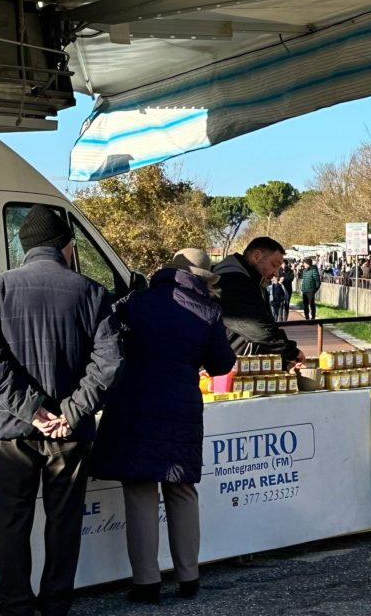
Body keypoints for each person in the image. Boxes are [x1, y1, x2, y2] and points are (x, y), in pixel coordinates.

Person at [0, 206, 123, 616]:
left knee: (13, 521)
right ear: (67, 247)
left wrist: (31, 410)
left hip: (11, 428)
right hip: (68, 432)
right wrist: (71, 412)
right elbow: (109, 363)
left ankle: (16, 605)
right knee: (64, 521)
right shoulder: (93, 292)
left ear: (24, 247)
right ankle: (56, 604)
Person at [91, 249, 235, 604]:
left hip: (134, 402)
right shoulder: (207, 311)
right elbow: (221, 364)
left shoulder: (134, 303)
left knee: (140, 489)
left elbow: (108, 345)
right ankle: (189, 576)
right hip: (181, 407)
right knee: (181, 488)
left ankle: (146, 582)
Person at [215, 237, 304, 369]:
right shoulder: (233, 281)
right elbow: (255, 327)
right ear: (256, 256)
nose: (276, 273)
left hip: (240, 361)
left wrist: (284, 362)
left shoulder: (249, 281)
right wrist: (289, 352)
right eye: (274, 265)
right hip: (230, 364)